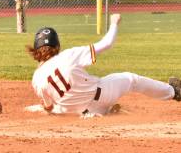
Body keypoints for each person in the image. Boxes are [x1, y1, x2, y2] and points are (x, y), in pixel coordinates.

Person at [27, 14, 181, 116]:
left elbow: (49, 108)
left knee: (57, 108)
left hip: (75, 112)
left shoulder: (36, 80)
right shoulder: (68, 55)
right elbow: (106, 43)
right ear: (57, 45)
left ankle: (102, 113)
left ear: (35, 50)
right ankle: (174, 91)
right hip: (102, 94)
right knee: (132, 79)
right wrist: (114, 23)